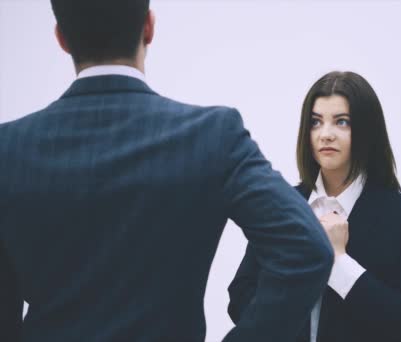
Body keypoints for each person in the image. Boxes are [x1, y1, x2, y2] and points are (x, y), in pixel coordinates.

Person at [0, 1, 334, 341]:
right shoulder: (212, 135)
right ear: (149, 27)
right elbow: (307, 249)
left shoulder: (7, 149)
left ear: (61, 38)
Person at [228, 71, 401, 341]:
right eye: (316, 122)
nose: (325, 134)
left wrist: (338, 261)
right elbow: (240, 297)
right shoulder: (282, 206)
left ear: (366, 130)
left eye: (342, 122)